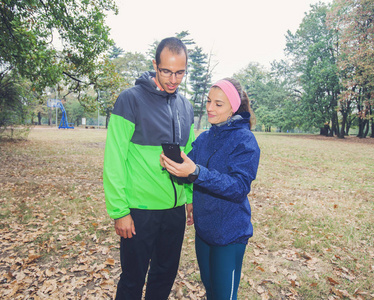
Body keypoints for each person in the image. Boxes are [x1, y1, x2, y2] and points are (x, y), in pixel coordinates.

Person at [103, 37, 196, 300]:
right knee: (132, 280)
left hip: (174, 212)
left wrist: (189, 198)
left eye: (180, 72)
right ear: (155, 65)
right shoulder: (130, 100)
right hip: (140, 212)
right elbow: (114, 161)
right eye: (167, 71)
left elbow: (187, 159)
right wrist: (119, 211)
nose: (173, 79)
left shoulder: (186, 107)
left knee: (164, 277)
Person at [161, 78, 260, 300]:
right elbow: (189, 172)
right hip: (204, 232)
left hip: (229, 234)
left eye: (218, 104)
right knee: (211, 292)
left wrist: (195, 172)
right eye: (208, 101)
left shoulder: (245, 140)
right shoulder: (205, 137)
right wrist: (175, 165)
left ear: (233, 107)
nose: (209, 108)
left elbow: (239, 187)